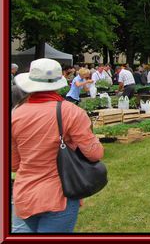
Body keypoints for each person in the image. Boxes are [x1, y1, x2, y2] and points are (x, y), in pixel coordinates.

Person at [12, 58, 104, 233]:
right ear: (58, 82)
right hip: (60, 194)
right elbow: (95, 154)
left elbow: (14, 163)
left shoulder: (15, 114)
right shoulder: (71, 112)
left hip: (24, 194)